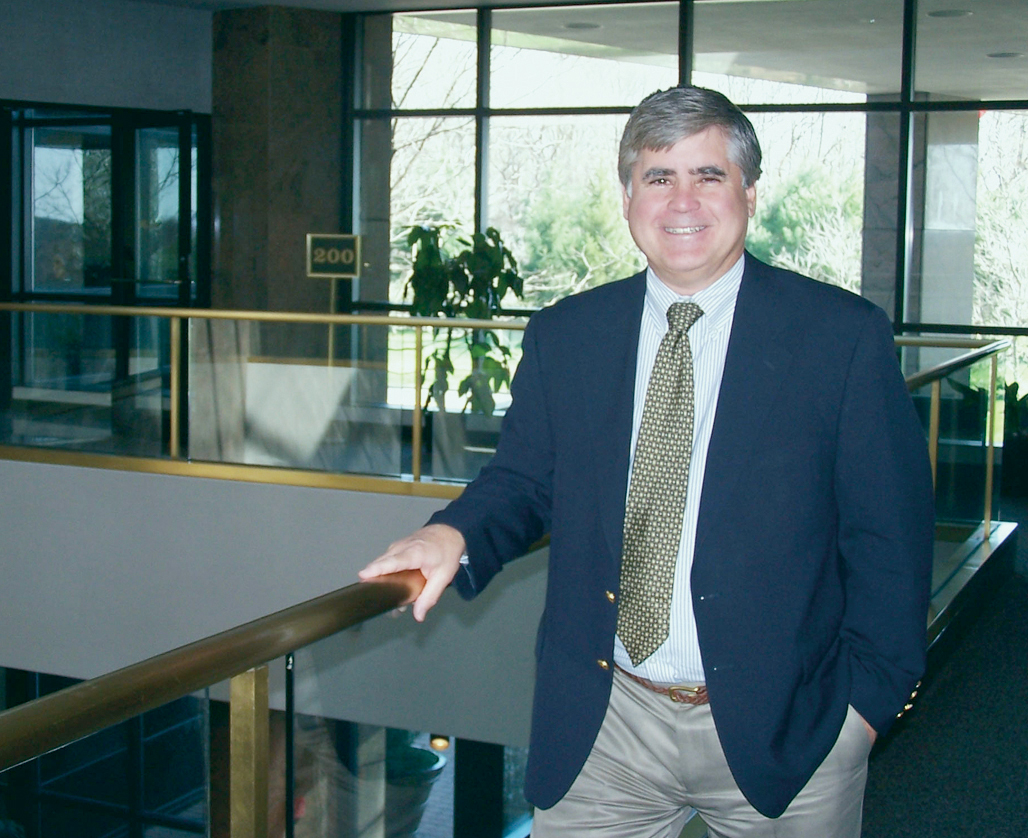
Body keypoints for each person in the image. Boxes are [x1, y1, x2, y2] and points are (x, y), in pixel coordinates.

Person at [360, 86, 935, 837]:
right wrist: (453, 535)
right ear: (629, 197)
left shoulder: (840, 338)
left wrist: (865, 710)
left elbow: (890, 536)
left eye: (709, 175)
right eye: (659, 177)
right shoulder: (567, 335)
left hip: (791, 723)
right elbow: (524, 481)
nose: (682, 200)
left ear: (750, 193)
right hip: (607, 724)